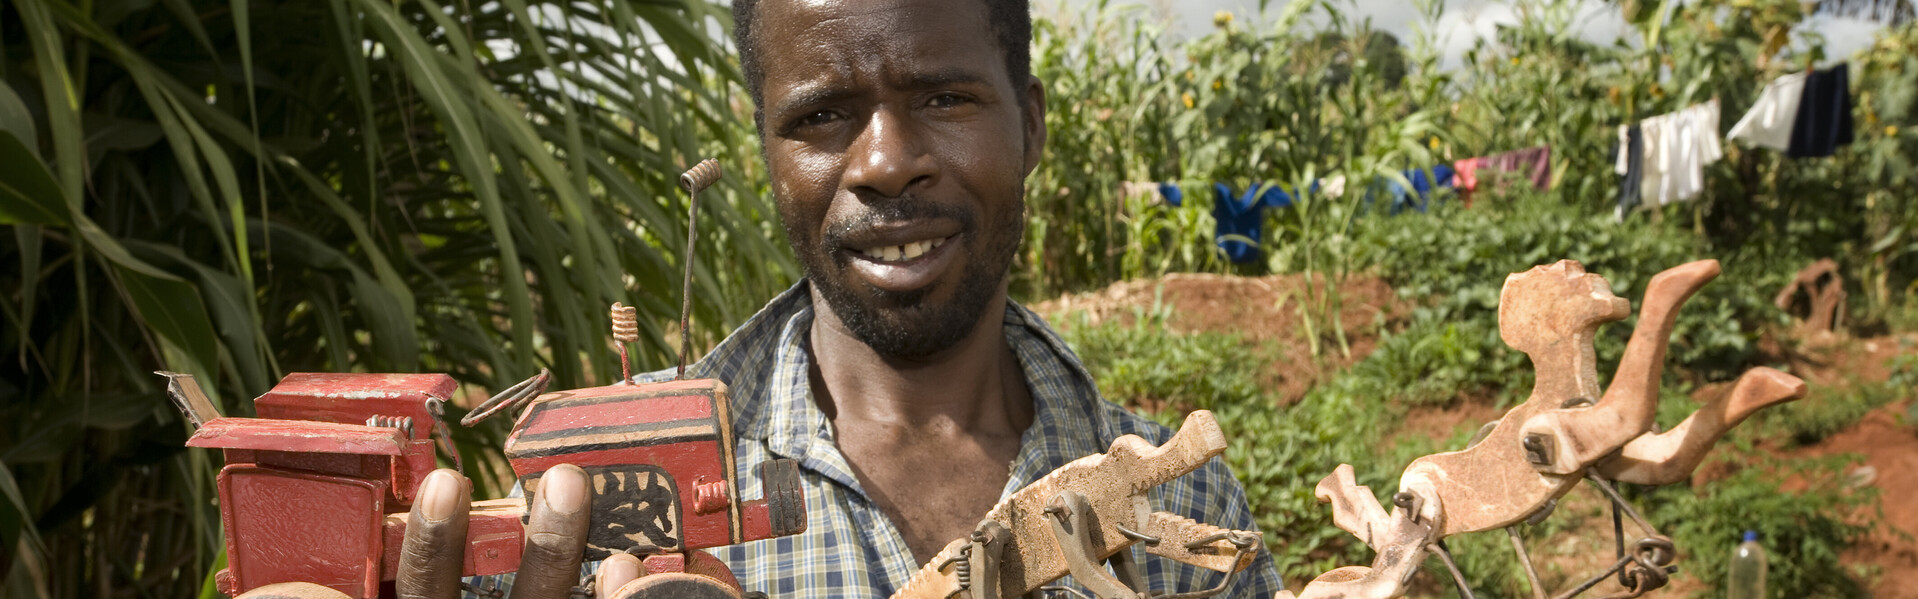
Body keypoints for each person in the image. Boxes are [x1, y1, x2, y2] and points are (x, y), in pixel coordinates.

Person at [245, 1, 1284, 597]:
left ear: (1033, 126)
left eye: (943, 96)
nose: (885, 161)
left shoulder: (1183, 506)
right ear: (769, 156)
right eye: (824, 114)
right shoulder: (588, 507)